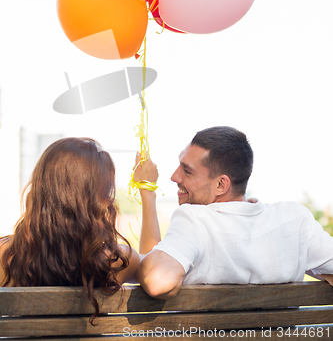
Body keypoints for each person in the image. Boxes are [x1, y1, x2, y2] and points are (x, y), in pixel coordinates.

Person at [135, 126, 333, 299]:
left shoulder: (195, 220)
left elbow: (156, 280)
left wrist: (147, 193)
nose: (173, 176)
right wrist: (304, 261)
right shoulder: (293, 219)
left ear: (221, 184)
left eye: (187, 171)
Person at [0, 137, 144, 322]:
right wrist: (148, 193)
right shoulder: (117, 260)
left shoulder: (5, 255)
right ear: (100, 200)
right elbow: (152, 270)